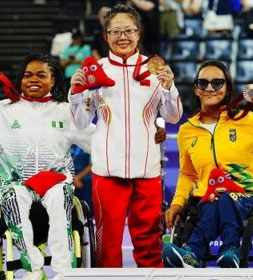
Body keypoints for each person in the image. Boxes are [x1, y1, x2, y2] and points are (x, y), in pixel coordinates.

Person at [0, 52, 95, 280]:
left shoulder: (66, 111)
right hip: (14, 183)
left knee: (61, 197)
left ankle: (65, 272)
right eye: (28, 75)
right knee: (13, 196)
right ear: (20, 79)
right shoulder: (1, 110)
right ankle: (34, 269)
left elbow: (97, 142)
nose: (33, 79)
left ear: (53, 80)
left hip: (56, 182)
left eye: (41, 75)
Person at [69, 4, 182, 268]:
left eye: (129, 31)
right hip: (108, 169)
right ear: (106, 35)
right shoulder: (95, 69)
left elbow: (174, 116)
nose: (123, 37)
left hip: (147, 168)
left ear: (139, 33)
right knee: (108, 243)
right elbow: (81, 121)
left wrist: (169, 87)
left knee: (149, 240)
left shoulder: (156, 67)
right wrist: (75, 93)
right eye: (116, 31)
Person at [161, 60, 253, 268]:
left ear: (228, 88)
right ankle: (193, 255)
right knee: (214, 200)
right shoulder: (187, 130)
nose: (210, 88)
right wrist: (177, 204)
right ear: (196, 89)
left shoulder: (246, 119)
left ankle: (229, 249)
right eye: (203, 83)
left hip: (248, 193)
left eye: (217, 83)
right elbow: (188, 174)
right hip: (209, 196)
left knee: (226, 198)